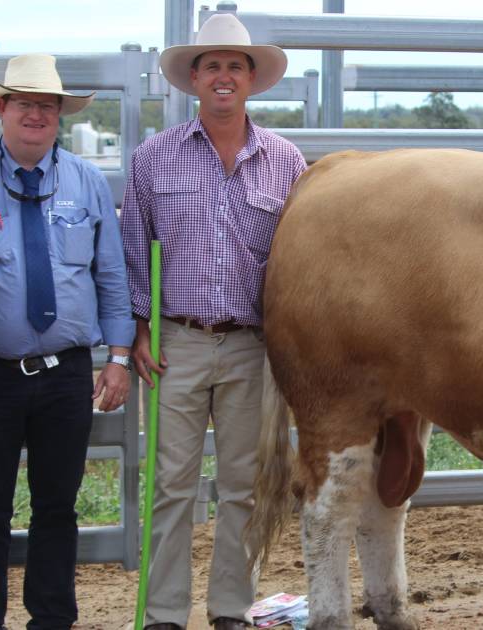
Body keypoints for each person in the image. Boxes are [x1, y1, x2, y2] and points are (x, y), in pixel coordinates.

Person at [0, 54, 135, 630]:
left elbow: (112, 278)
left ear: (60, 115)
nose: (37, 115)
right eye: (25, 103)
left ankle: (51, 619)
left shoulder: (88, 182)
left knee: (57, 508)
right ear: (2, 108)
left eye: (48, 105)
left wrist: (117, 359)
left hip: (67, 371)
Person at [120, 14, 306, 630]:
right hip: (177, 340)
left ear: (251, 79)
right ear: (193, 79)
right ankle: (165, 614)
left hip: (253, 344)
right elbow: (131, 248)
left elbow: (299, 256)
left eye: (235, 65)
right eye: (211, 66)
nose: (223, 76)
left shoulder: (285, 160)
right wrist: (141, 329)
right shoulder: (154, 157)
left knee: (244, 486)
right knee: (171, 485)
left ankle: (231, 609)